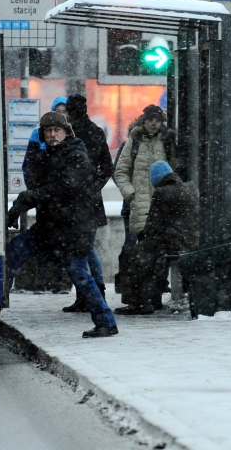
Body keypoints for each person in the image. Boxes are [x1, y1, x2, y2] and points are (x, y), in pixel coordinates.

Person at [6, 111, 118, 338]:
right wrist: (21, 204)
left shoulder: (76, 154)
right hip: (50, 227)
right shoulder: (47, 155)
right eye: (47, 131)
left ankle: (106, 321)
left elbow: (65, 188)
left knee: (80, 275)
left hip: (72, 227)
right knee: (12, 253)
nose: (52, 134)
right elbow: (35, 183)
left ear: (66, 132)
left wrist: (26, 199)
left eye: (57, 130)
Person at [115, 161, 198, 315]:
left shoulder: (162, 193)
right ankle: (152, 300)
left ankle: (140, 302)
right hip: (191, 240)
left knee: (132, 255)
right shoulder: (189, 188)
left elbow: (153, 225)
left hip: (174, 241)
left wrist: (143, 235)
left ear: (156, 179)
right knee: (151, 252)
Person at [55, 94, 113, 313]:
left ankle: (87, 294)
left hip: (71, 198)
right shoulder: (96, 132)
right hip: (90, 198)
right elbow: (107, 166)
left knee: (80, 249)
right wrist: (93, 187)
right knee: (87, 247)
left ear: (69, 110)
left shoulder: (68, 134)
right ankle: (95, 293)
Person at [113, 105, 176, 241]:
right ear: (144, 121)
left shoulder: (167, 141)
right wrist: (130, 193)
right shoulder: (134, 141)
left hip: (162, 205)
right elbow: (120, 171)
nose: (153, 123)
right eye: (150, 119)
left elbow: (175, 172)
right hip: (139, 205)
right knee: (143, 248)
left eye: (157, 120)